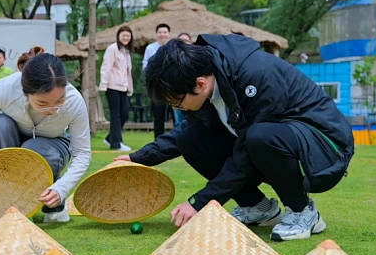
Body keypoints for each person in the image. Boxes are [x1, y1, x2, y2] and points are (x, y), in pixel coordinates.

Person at [115, 35, 354, 242]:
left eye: (176, 102)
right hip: (275, 142)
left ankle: (303, 212)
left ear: (199, 84)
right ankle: (258, 208)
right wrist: (137, 158)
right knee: (190, 138)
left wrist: (199, 202)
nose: (178, 108)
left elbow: (245, 155)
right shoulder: (213, 78)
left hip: (326, 149)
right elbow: (182, 135)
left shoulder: (257, 75)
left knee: (258, 137)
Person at [0, 47, 92, 223]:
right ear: (24, 90)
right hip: (11, 138)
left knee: (34, 149)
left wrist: (62, 188)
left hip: (52, 145)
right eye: (43, 103)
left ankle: (55, 208)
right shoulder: (6, 89)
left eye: (59, 101)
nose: (51, 109)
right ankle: (1, 200)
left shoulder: (74, 102)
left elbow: (82, 153)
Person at [100, 26, 134, 152]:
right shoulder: (112, 49)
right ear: (118, 36)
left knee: (124, 114)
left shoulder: (126, 51)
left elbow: (127, 72)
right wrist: (103, 85)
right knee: (116, 115)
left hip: (123, 87)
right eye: (123, 35)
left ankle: (110, 138)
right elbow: (106, 67)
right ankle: (116, 144)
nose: (126, 38)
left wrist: (130, 88)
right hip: (112, 86)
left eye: (128, 36)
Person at [142, 23, 171, 139]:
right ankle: (158, 140)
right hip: (157, 87)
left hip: (172, 86)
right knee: (158, 115)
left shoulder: (173, 46)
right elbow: (145, 65)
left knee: (176, 115)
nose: (162, 34)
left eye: (165, 32)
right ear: (156, 34)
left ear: (169, 34)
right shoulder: (150, 48)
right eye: (160, 32)